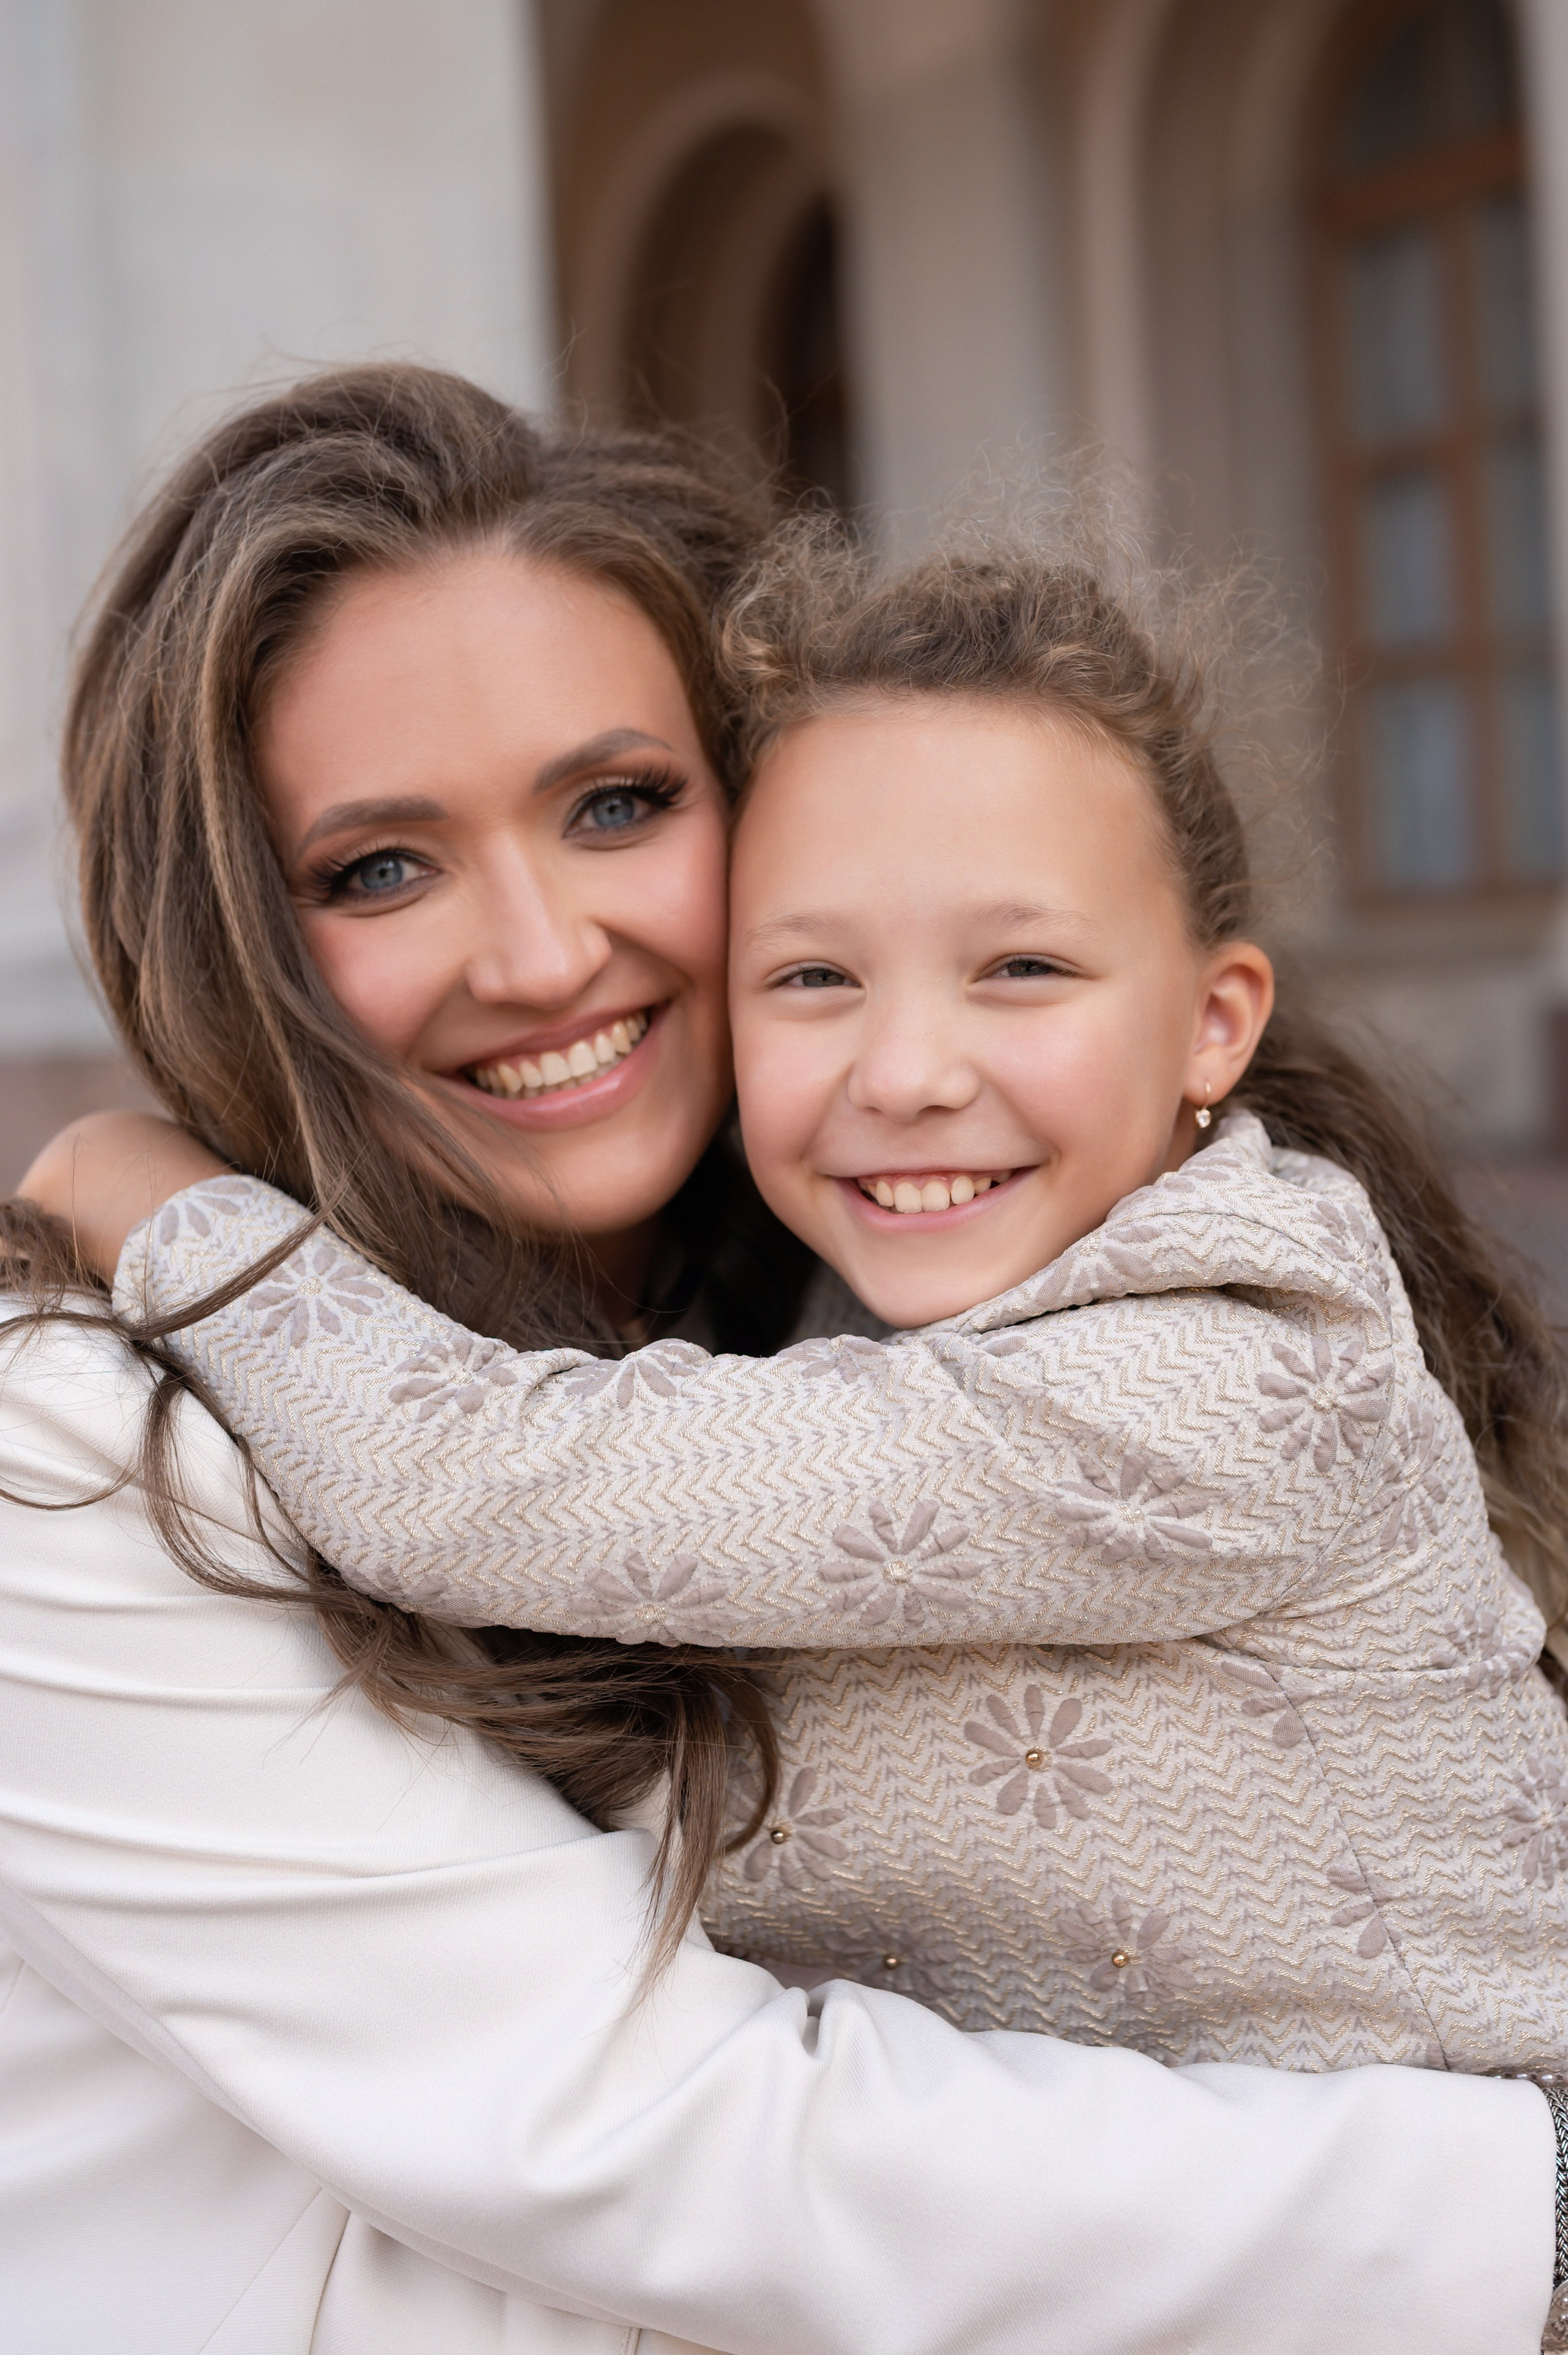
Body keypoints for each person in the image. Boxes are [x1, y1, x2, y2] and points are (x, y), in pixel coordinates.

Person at [8, 364, 1561, 2355]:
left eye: (620, 805)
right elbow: (672, 2138)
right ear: (232, 934)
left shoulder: (908, 1317)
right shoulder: (62, 1457)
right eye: (380, 867)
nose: (546, 949)